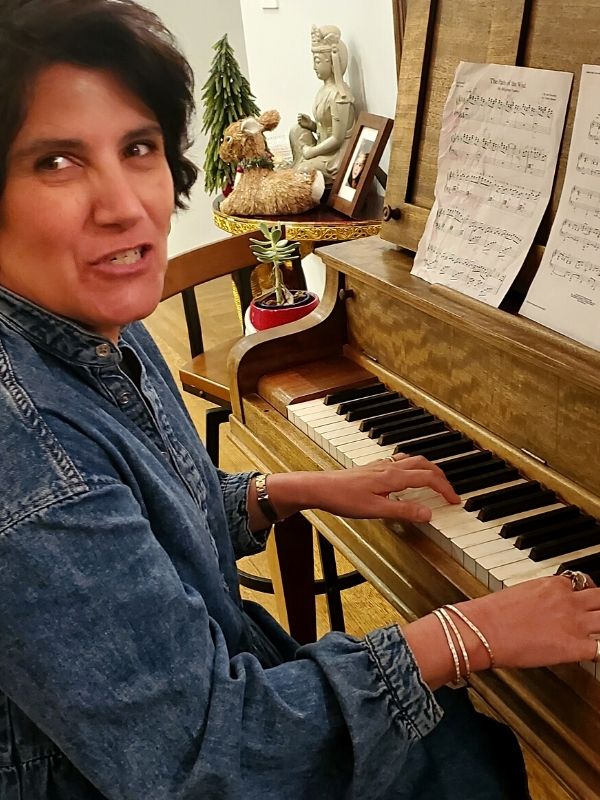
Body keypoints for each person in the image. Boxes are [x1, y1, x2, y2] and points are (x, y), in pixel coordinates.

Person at [0, 2, 599, 799]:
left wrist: (296, 488)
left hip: (198, 712)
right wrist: (467, 633)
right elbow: (209, 756)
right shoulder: (29, 453)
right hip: (182, 760)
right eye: (57, 162)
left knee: (463, 744)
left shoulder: (86, 318)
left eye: (137, 147)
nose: (124, 205)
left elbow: (144, 524)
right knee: (466, 757)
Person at [289, 25, 355, 186]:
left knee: (302, 172)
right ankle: (301, 166)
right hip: (322, 146)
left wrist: (312, 152)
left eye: (317, 61)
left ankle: (304, 169)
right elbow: (324, 128)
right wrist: (311, 125)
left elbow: (337, 139)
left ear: (332, 62)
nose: (314, 67)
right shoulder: (323, 90)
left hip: (334, 155)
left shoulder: (340, 96)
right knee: (296, 130)